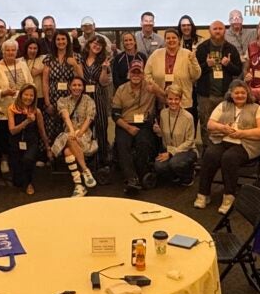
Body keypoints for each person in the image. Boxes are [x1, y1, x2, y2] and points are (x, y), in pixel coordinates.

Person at [196, 79, 260, 214]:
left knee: (229, 158)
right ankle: (203, 194)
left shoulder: (256, 108)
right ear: (231, 94)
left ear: (248, 93)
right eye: (237, 93)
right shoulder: (223, 105)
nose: (240, 95)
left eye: (243, 93)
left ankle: (229, 196)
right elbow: (210, 125)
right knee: (210, 154)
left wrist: (243, 133)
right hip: (223, 140)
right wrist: (223, 128)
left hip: (247, 144)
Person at [111, 62, 157, 193]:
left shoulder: (149, 87)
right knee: (122, 144)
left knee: (144, 143)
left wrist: (155, 88)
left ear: (143, 75)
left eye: (138, 73)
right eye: (133, 72)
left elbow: (164, 97)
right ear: (129, 74)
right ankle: (131, 178)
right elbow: (115, 114)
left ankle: (142, 173)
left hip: (143, 123)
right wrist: (128, 127)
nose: (136, 75)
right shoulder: (121, 89)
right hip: (125, 123)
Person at [0, 39, 33, 173]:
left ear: (16, 51)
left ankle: (19, 162)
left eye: (13, 50)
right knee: (6, 138)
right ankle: (4, 160)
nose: (10, 52)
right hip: (5, 109)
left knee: (21, 136)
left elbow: (30, 83)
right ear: (3, 52)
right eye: (7, 50)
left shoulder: (22, 64)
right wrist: (3, 92)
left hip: (23, 108)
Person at [195, 20, 242, 145]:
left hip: (225, 95)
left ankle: (222, 151)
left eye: (220, 28)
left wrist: (228, 65)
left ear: (224, 31)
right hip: (206, 95)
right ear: (210, 31)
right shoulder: (202, 48)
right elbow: (195, 72)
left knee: (225, 125)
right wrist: (206, 65)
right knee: (206, 125)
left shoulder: (231, 48)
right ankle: (207, 152)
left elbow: (238, 71)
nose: (217, 31)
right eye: (215, 29)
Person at [51, 76, 98, 197]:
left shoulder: (89, 100)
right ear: (69, 87)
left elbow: (89, 119)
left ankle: (78, 185)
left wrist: (80, 133)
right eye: (74, 85)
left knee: (67, 150)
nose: (77, 87)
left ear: (83, 87)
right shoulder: (63, 100)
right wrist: (72, 131)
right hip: (68, 133)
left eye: (79, 85)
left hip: (84, 134)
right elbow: (65, 116)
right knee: (69, 138)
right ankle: (85, 170)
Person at [8, 83, 50, 195]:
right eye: (26, 95)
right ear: (21, 95)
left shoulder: (37, 111)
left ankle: (29, 183)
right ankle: (22, 180)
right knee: (17, 181)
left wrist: (48, 148)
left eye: (31, 95)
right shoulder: (12, 109)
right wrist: (27, 121)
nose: (28, 98)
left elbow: (42, 131)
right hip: (16, 142)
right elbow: (12, 130)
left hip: (31, 142)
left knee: (28, 159)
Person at [144, 28, 201, 110]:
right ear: (165, 40)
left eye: (174, 38)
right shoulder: (156, 54)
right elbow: (147, 73)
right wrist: (155, 87)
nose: (171, 40)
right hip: (161, 100)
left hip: (183, 101)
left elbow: (196, 75)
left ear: (179, 40)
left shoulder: (187, 54)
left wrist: (194, 61)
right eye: (168, 38)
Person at [153, 84, 198, 186]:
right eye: (170, 99)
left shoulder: (188, 117)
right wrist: (158, 131)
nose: (173, 102)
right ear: (166, 99)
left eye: (176, 99)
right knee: (159, 166)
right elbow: (164, 135)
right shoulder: (163, 113)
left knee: (175, 163)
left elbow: (190, 141)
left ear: (180, 99)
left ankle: (189, 175)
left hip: (186, 150)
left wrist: (171, 153)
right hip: (169, 150)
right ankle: (175, 175)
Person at [81, 35, 113, 168]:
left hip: (98, 96)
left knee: (101, 127)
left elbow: (103, 82)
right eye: (94, 43)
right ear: (88, 44)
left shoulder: (103, 61)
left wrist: (105, 68)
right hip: (82, 97)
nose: (97, 46)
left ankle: (103, 160)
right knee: (85, 127)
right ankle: (87, 158)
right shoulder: (81, 59)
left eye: (100, 44)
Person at [43, 31, 81, 143]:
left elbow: (81, 78)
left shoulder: (76, 57)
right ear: (54, 42)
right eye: (58, 39)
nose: (61, 42)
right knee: (52, 129)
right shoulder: (49, 59)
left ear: (68, 41)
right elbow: (45, 82)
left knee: (69, 127)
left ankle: (69, 157)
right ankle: (52, 156)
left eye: (63, 39)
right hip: (53, 98)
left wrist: (75, 64)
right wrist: (47, 103)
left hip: (70, 98)